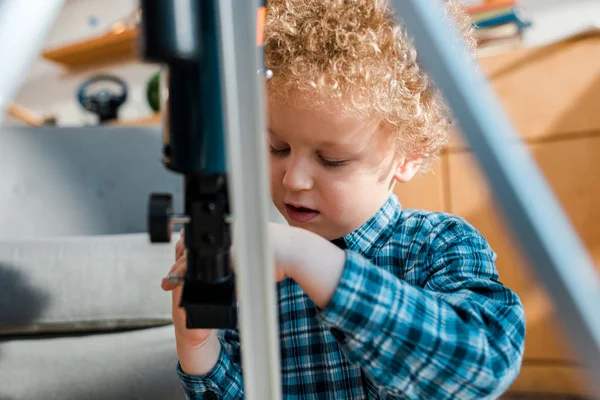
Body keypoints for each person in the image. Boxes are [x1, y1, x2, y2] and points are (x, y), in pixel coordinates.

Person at [162, 0, 526, 398]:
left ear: (410, 156)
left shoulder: (440, 245)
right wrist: (199, 348)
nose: (294, 179)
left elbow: (482, 368)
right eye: (276, 147)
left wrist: (310, 259)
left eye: (331, 160)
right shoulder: (252, 269)